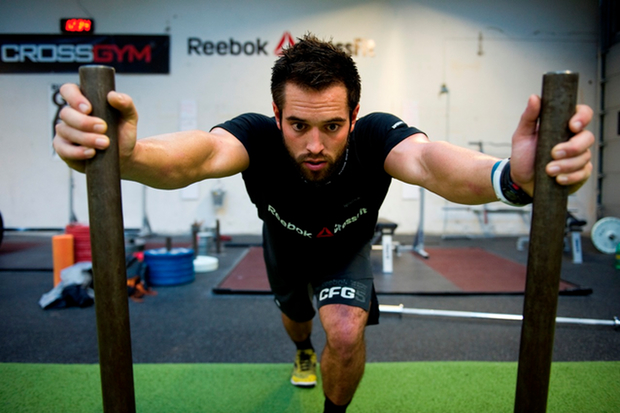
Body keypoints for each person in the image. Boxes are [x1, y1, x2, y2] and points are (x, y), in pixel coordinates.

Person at [53, 34, 594, 412]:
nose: (315, 145)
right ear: (277, 115)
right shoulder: (255, 135)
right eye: (298, 126)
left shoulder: (377, 135)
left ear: (354, 117)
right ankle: (302, 349)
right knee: (297, 320)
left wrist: (509, 177)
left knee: (346, 330)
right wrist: (129, 156)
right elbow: (197, 157)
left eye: (333, 126)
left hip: (344, 250)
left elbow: (432, 165)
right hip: (283, 248)